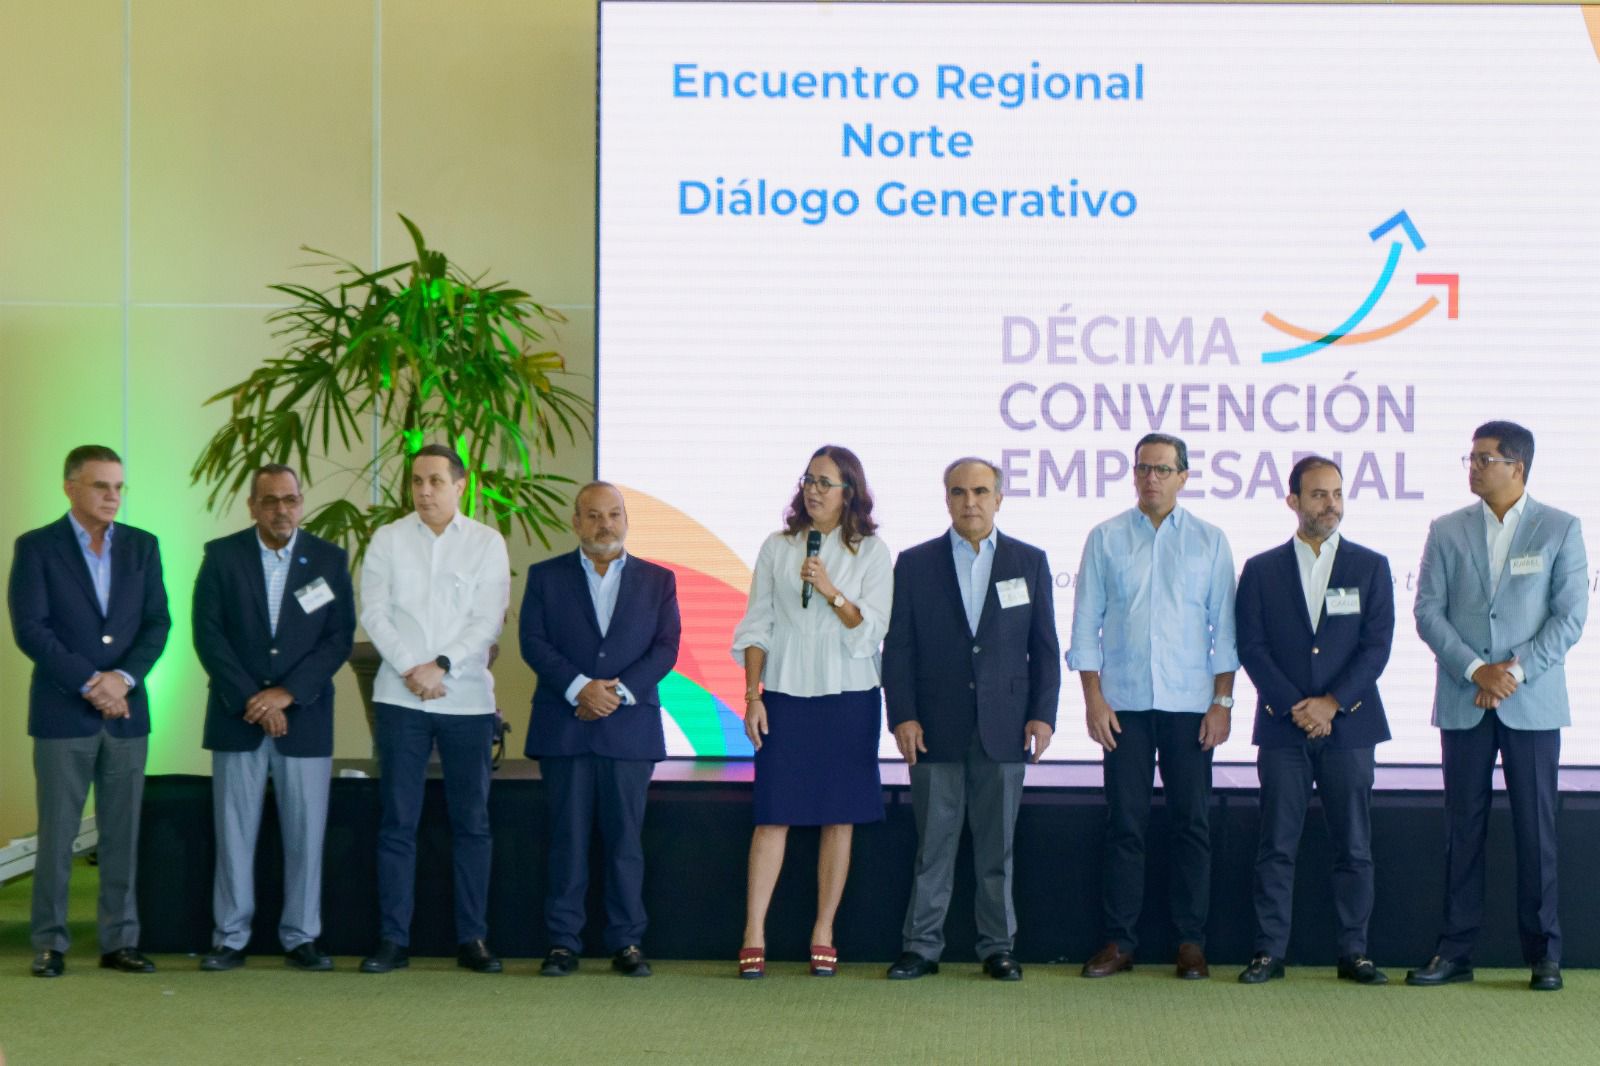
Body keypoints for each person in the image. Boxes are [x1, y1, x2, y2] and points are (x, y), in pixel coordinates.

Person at [1408, 421, 1586, 992]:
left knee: (1537, 830)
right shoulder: (1446, 529)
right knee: (1462, 829)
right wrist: (1475, 670)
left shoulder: (1559, 527)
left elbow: (1570, 618)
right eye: (1471, 458)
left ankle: (1544, 955)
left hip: (1530, 702)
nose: (1474, 468)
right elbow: (1427, 611)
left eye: (1485, 459)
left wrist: (1510, 673)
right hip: (1465, 697)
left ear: (1518, 467)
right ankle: (1455, 951)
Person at [881, 457, 1060, 982]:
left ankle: (997, 947)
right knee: (932, 849)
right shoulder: (915, 563)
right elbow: (899, 649)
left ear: (999, 498)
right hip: (933, 728)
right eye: (959, 492)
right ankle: (921, 948)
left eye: (981, 491)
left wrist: (1043, 715)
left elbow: (1044, 648)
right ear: (947, 499)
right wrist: (903, 716)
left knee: (997, 850)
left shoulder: (1029, 561)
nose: (970, 502)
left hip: (1006, 727)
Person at [1068, 432, 1237, 980]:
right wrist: (1093, 699)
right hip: (1124, 705)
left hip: (1191, 706)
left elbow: (1225, 631)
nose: (1152, 478)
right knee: (1125, 825)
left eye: (1163, 469)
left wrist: (1222, 702)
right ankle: (1120, 941)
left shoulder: (1210, 541)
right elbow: (1085, 626)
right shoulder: (1106, 537)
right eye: (1143, 468)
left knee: (1192, 824)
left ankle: (1191, 942)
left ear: (1184, 476)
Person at [8, 444, 171, 977]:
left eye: (119, 487)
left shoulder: (143, 546)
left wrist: (122, 680)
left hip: (127, 712)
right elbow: (31, 628)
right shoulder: (37, 547)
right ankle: (50, 943)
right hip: (63, 712)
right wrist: (89, 682)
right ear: (70, 487)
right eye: (101, 486)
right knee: (58, 833)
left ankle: (119, 942)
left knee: (122, 833)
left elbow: (157, 623)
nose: (112, 496)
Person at [731, 445, 892, 978]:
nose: (814, 490)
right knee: (773, 813)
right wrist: (753, 695)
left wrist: (830, 591)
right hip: (784, 693)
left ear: (850, 492)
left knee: (838, 816)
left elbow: (870, 632)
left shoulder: (872, 552)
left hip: (849, 696)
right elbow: (757, 626)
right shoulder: (778, 547)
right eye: (809, 480)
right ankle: (754, 931)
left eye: (826, 482)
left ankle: (823, 930)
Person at [1234, 456, 1393, 986]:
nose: (1331, 504)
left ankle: (1355, 953)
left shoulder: (1371, 566)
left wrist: (1331, 703)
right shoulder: (1261, 569)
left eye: (1337, 494)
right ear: (1293, 501)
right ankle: (1268, 952)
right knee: (1276, 845)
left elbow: (1376, 648)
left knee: (1354, 846)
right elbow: (1252, 647)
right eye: (1319, 494)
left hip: (1351, 726)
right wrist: (1297, 706)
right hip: (1283, 725)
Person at [192, 464, 355, 972]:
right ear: (252, 506)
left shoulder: (328, 559)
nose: (281, 510)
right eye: (270, 501)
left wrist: (288, 694)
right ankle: (230, 937)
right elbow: (208, 634)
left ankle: (301, 936)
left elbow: (338, 638)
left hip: (304, 716)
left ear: (301, 503)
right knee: (234, 833)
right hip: (237, 717)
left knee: (306, 835)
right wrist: (254, 700)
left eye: (290, 500)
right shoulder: (222, 556)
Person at [357, 444, 511, 975]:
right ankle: (393, 940)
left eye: (436, 481)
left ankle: (473, 938)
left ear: (460, 486)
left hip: (467, 701)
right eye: (417, 481)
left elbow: (488, 620)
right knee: (398, 822)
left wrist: (441, 665)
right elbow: (374, 613)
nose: (424, 491)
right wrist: (412, 668)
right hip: (399, 698)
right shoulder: (388, 539)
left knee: (472, 823)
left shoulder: (486, 543)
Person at [520, 481, 681, 978]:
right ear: (576, 522)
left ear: (626, 519)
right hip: (565, 727)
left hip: (629, 730)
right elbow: (532, 641)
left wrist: (616, 693)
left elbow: (666, 647)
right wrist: (580, 688)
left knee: (625, 843)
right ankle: (562, 943)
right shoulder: (545, 576)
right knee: (566, 840)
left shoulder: (658, 580)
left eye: (613, 514)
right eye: (593, 515)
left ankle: (627, 942)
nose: (604, 524)